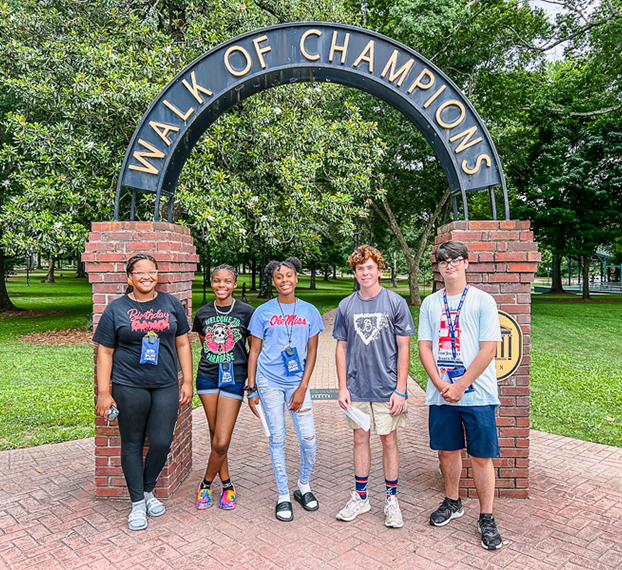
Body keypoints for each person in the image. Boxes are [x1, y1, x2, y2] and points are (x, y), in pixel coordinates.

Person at [93, 254, 193, 531]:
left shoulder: (171, 303)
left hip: (164, 383)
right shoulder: (116, 309)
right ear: (130, 278)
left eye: (152, 271)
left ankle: (148, 490)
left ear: (157, 275)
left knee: (161, 441)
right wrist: (104, 392)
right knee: (133, 443)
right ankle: (137, 502)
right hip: (129, 384)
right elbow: (105, 350)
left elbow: (183, 343)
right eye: (140, 272)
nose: (146, 276)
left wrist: (187, 381)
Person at [418, 240, 503, 550]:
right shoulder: (430, 303)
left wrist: (461, 384)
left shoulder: (483, 301)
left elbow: (488, 349)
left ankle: (487, 517)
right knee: (447, 451)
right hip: (442, 393)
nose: (449, 265)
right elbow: (424, 346)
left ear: (467, 263)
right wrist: (442, 384)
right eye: (443, 261)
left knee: (481, 456)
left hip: (477, 394)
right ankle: (452, 502)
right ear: (438, 267)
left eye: (454, 260)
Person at [334, 245, 416, 528]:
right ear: (354, 272)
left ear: (380, 270)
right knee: (359, 439)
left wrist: (401, 389)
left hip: (387, 387)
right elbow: (341, 348)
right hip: (356, 388)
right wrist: (342, 387)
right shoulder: (346, 305)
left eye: (370, 267)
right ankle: (361, 496)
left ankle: (391, 500)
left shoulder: (395, 303)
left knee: (388, 440)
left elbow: (404, 348)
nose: (365, 273)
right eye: (359, 269)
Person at [246, 257, 324, 522]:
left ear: (296, 278)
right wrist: (251, 387)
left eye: (289, 275)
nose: (284, 280)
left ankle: (303, 486)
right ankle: (282, 495)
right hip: (268, 381)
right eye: (279, 277)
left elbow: (312, 351)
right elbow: (254, 351)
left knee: (308, 439)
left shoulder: (310, 311)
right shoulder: (262, 312)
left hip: (297, 383)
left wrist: (303, 386)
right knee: (277, 438)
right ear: (273, 281)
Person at [193, 265, 254, 510]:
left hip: (235, 378)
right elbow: (204, 343)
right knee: (214, 432)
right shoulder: (203, 313)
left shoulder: (247, 312)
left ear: (235, 284)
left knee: (221, 441)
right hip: (207, 377)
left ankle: (206, 483)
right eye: (217, 281)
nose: (221, 285)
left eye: (227, 281)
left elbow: (253, 351)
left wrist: (251, 382)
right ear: (212, 283)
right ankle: (227, 484)